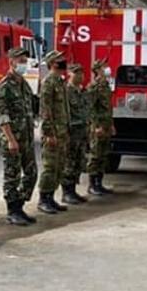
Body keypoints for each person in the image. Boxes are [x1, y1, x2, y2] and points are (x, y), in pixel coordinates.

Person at [0, 48, 37, 227]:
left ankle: (19, 205)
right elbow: (2, 116)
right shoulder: (4, 86)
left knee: (31, 173)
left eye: (25, 60)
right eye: (20, 60)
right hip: (13, 139)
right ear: (11, 61)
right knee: (12, 176)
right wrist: (10, 139)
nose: (23, 64)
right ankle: (12, 211)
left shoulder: (24, 84)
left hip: (26, 137)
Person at [36, 50, 70, 214]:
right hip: (53, 133)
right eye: (59, 60)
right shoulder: (49, 82)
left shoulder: (60, 82)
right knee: (50, 167)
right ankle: (43, 199)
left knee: (59, 166)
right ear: (52, 64)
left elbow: (64, 109)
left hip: (62, 131)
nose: (63, 62)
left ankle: (51, 197)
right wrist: (49, 133)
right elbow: (45, 110)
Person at [86, 58, 115, 196]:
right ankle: (92, 184)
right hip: (97, 127)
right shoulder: (94, 87)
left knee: (104, 155)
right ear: (97, 70)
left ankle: (99, 183)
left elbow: (108, 108)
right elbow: (91, 108)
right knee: (95, 155)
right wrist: (96, 126)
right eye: (104, 67)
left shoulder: (106, 86)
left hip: (106, 125)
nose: (107, 69)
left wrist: (111, 124)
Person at [61, 63, 89, 205]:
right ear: (69, 75)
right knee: (69, 162)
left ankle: (72, 190)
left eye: (81, 73)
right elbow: (64, 113)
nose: (80, 76)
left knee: (78, 162)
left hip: (81, 131)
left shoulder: (81, 91)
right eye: (77, 73)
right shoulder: (66, 91)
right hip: (71, 132)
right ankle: (66, 192)